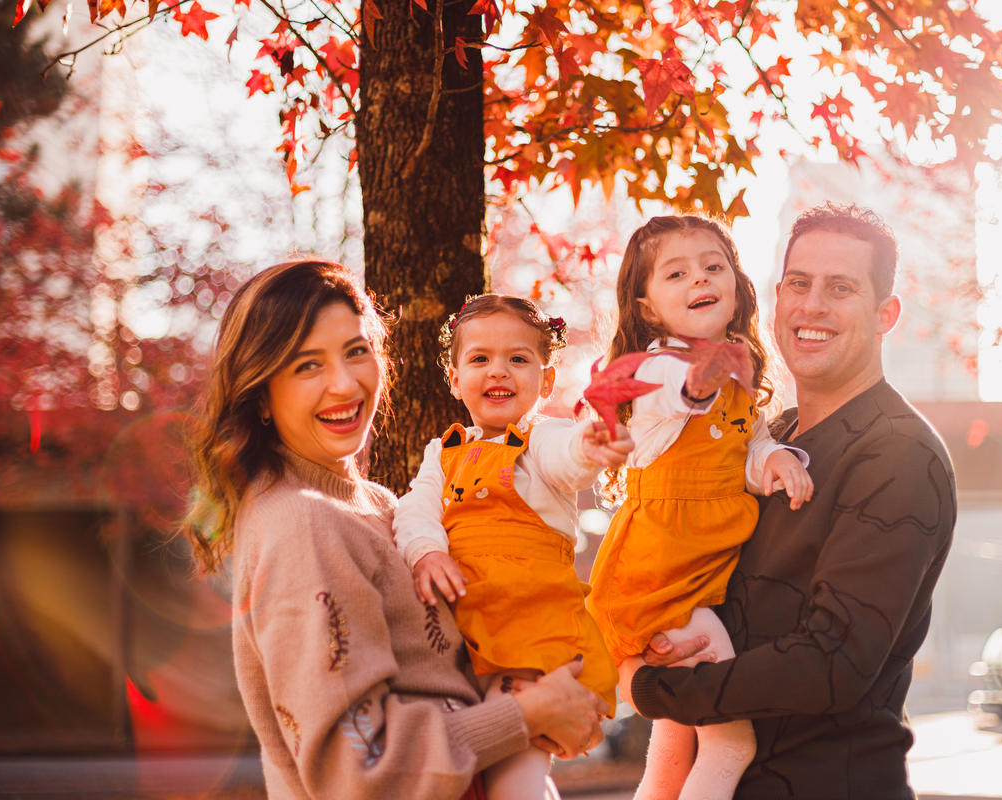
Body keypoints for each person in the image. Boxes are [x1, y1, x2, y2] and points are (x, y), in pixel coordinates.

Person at [179, 261, 607, 800]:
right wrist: (525, 714)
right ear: (262, 393)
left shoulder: (381, 505)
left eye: (356, 351)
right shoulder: (302, 523)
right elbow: (359, 773)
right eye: (307, 365)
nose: (344, 382)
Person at [617, 203, 958, 800]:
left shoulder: (898, 456)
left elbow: (832, 661)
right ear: (775, 298)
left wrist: (651, 689)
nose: (812, 306)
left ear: (886, 315)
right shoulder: (763, 438)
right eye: (799, 284)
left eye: (841, 288)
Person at [586, 215, 814, 800]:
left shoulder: (738, 375)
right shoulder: (654, 370)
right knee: (732, 742)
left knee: (675, 735)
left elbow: (744, 447)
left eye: (714, 267)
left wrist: (775, 459)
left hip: (692, 576)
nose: (700, 279)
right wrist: (706, 375)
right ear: (647, 309)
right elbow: (683, 394)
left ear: (735, 284)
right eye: (677, 273)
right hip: (663, 581)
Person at [393, 293, 628, 800]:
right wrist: (427, 552)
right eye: (480, 359)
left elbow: (569, 458)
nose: (499, 371)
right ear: (455, 378)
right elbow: (415, 509)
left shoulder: (542, 438)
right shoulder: (444, 452)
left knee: (511, 779)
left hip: (527, 637)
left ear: (545, 381)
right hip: (466, 638)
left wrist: (590, 447)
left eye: (518, 359)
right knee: (485, 774)